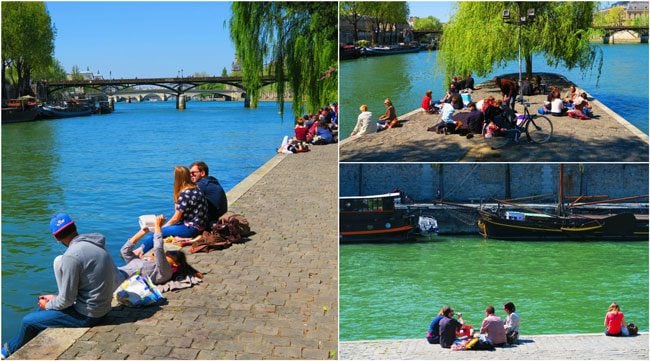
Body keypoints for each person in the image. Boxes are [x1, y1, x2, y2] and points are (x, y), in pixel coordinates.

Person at [1, 213, 116, 358]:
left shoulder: (71, 256)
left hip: (89, 315)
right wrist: (54, 298)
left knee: (28, 321)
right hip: (104, 307)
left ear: (56, 237)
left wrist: (47, 305)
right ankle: (14, 344)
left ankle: (6, 352)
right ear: (74, 227)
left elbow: (66, 301)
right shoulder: (96, 244)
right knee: (41, 309)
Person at [135, 166, 209, 254]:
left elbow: (175, 218)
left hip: (191, 228)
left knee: (157, 233)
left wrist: (161, 227)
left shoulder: (185, 194)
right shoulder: (196, 188)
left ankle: (139, 251)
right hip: (199, 225)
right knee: (162, 230)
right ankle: (140, 250)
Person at [189, 161, 228, 226]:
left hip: (213, 221)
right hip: (221, 216)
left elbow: (186, 199)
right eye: (189, 173)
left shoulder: (201, 185)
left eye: (193, 173)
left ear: (202, 173)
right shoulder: (212, 180)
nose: (191, 175)